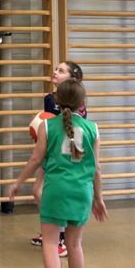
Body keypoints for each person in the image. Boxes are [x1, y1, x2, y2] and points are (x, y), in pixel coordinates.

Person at [8, 79, 107, 268]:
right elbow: (97, 169)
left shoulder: (47, 126)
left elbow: (36, 159)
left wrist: (19, 182)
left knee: (51, 243)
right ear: (83, 103)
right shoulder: (93, 128)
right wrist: (98, 198)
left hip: (56, 190)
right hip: (82, 192)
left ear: (56, 101)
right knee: (75, 244)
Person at [31, 61, 88, 257]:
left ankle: (60, 237)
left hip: (67, 155)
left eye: (61, 71)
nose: (55, 72)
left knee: (47, 192)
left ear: (72, 79)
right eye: (56, 69)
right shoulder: (49, 99)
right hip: (51, 153)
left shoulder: (79, 102)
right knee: (38, 192)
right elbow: (49, 125)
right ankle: (53, 232)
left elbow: (74, 132)